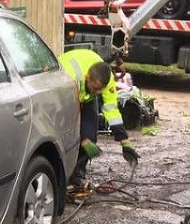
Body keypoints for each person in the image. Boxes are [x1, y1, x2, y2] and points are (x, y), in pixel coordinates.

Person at [58, 48, 139, 188]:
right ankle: (61, 176)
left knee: (91, 137)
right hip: (66, 96)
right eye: (95, 88)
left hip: (85, 94)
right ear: (87, 77)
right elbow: (67, 117)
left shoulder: (105, 82)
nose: (98, 93)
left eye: (100, 90)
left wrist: (125, 143)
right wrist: (82, 139)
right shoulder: (70, 78)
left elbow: (112, 111)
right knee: (72, 138)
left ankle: (77, 176)